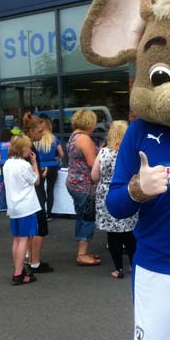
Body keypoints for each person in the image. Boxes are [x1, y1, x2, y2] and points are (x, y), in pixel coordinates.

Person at [92, 120, 137, 278]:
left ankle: (118, 269)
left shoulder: (103, 152)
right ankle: (133, 265)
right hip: (128, 191)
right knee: (130, 232)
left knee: (113, 234)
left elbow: (94, 176)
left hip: (108, 193)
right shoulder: (131, 153)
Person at [3, 135, 41, 285]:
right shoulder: (24, 165)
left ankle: (18, 270)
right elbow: (36, 180)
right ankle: (19, 273)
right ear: (22, 148)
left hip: (13, 206)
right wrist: (34, 163)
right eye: (27, 147)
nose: (29, 149)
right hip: (26, 206)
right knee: (24, 240)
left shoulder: (7, 164)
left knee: (17, 239)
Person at [66, 109, 99, 266]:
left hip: (74, 182)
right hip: (84, 185)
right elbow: (93, 164)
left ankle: (83, 250)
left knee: (81, 216)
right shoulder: (84, 139)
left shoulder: (73, 136)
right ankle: (82, 254)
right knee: (87, 217)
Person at [22, 112, 53, 273]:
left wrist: (38, 172)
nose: (42, 134)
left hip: (31, 192)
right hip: (34, 193)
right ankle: (35, 262)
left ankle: (31, 259)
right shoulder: (27, 148)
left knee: (32, 228)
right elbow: (29, 175)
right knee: (40, 227)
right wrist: (38, 175)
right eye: (40, 131)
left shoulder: (26, 145)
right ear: (30, 130)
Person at [34, 119, 64, 220]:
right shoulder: (54, 139)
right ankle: (49, 214)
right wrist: (56, 159)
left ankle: (41, 213)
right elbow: (62, 154)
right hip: (52, 166)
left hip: (40, 166)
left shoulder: (36, 140)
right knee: (50, 190)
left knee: (40, 190)